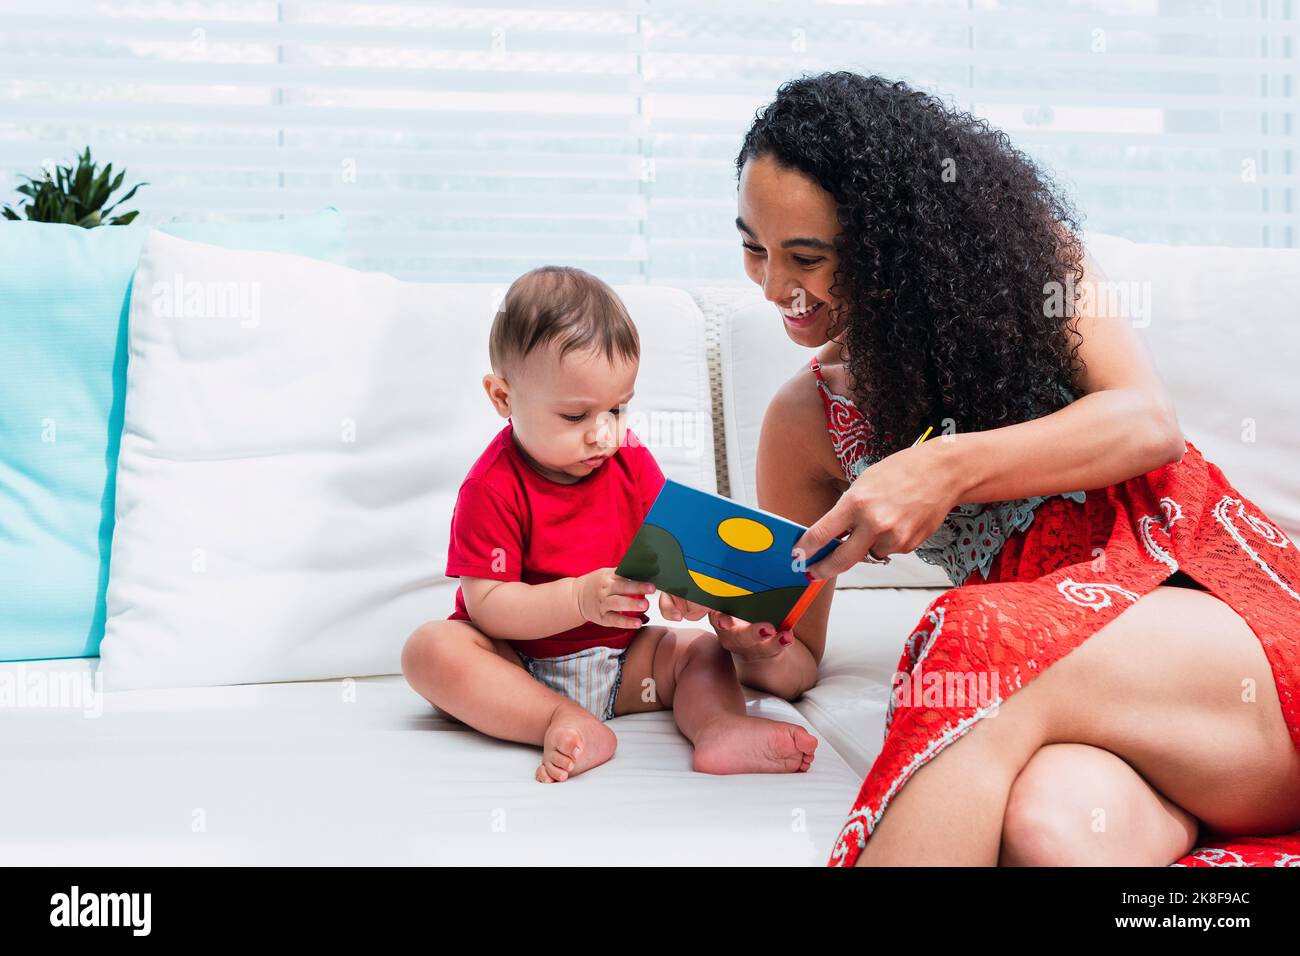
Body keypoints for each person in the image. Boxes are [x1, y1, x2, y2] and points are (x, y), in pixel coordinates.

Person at [663, 72, 1300, 866]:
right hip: (1123, 717)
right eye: (754, 249)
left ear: (888, 243)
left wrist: (943, 471)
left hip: (1225, 631)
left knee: (969, 633)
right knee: (1051, 833)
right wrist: (750, 634)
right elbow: (795, 661)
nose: (777, 288)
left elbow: (1148, 424)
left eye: (807, 256)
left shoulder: (1027, 264)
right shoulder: (805, 425)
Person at [401, 265, 818, 784]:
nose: (603, 435)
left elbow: (668, 552)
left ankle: (719, 727)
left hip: (624, 665)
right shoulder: (491, 486)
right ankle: (555, 718)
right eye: (576, 417)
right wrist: (577, 599)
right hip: (518, 667)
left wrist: (688, 593)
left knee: (699, 653)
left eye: (617, 408)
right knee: (431, 650)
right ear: (503, 398)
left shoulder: (630, 460)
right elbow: (488, 608)